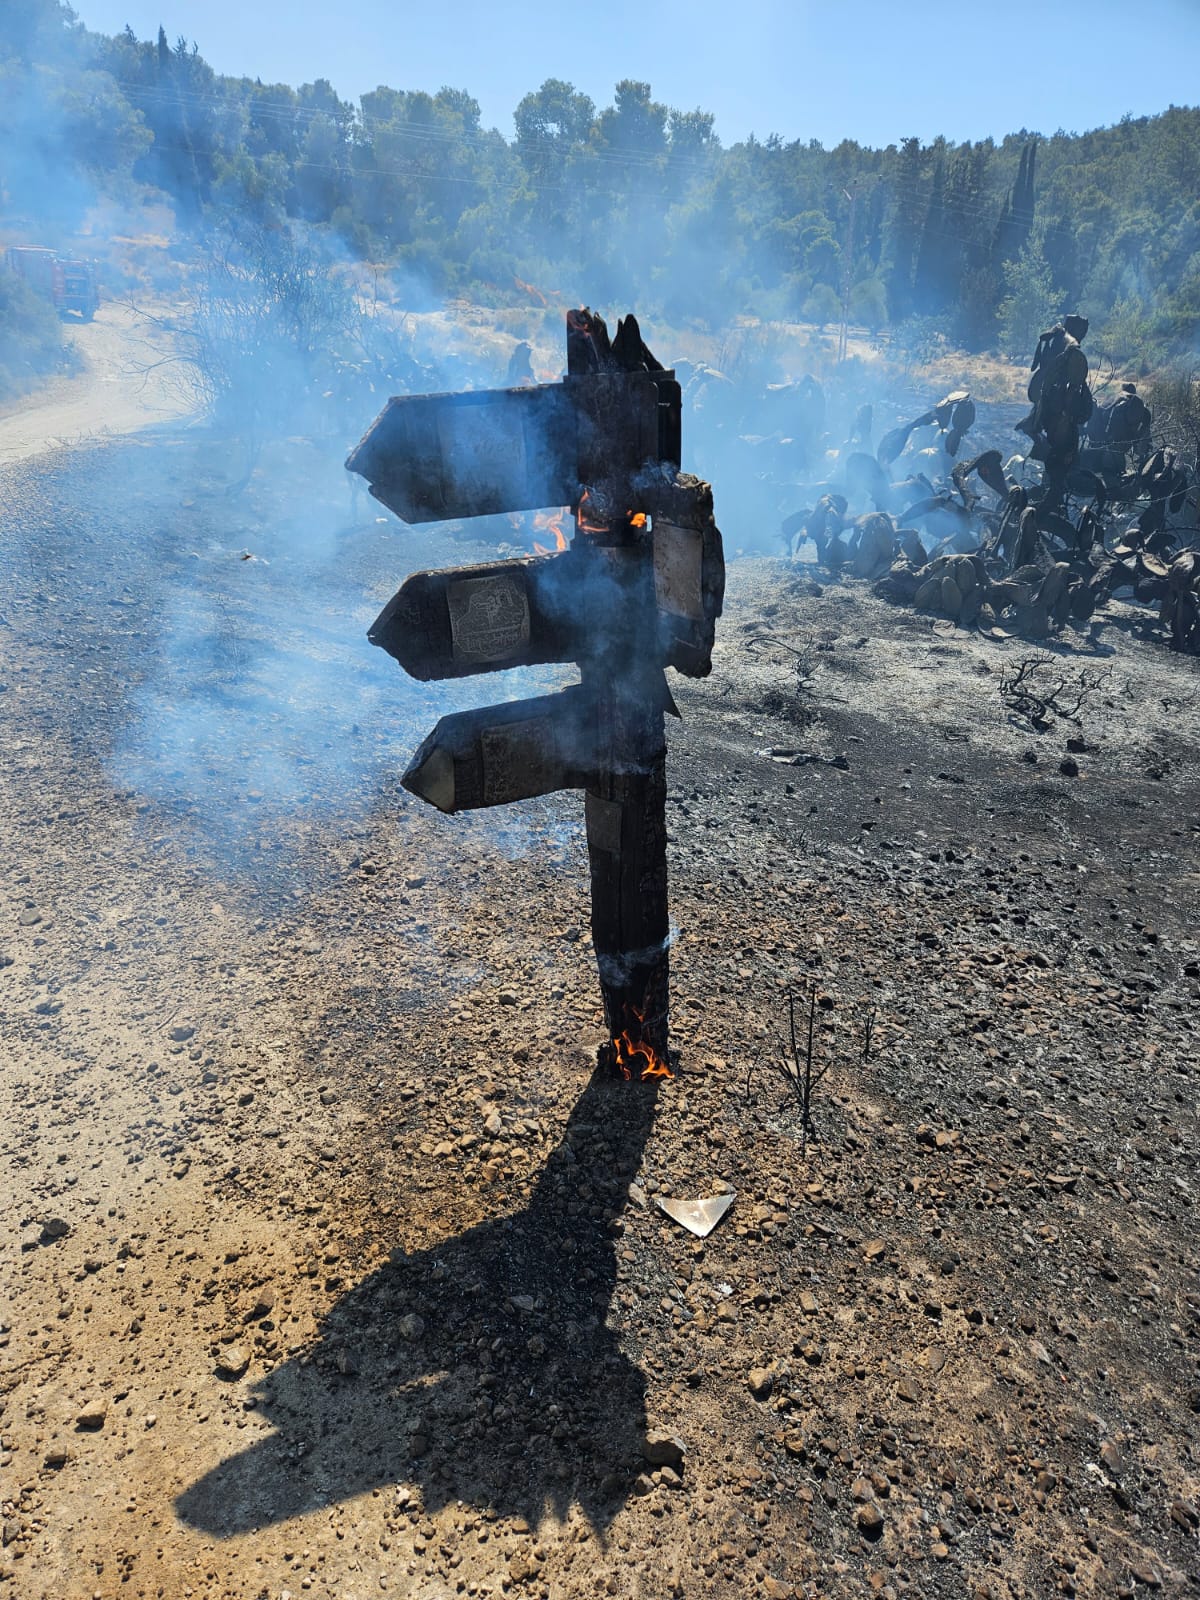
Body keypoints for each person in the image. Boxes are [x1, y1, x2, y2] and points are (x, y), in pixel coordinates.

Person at [1016, 313, 1093, 507]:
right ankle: (1050, 499)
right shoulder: (1071, 347)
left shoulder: (1056, 339)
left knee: (1054, 454)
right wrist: (1069, 414)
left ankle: (1047, 492)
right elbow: (1071, 388)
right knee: (1061, 454)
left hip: (1046, 403)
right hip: (1056, 409)